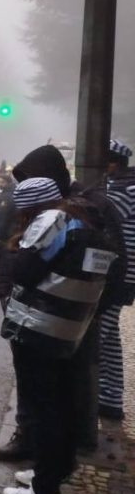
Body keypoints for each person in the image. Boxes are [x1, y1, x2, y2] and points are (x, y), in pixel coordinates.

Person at [0, 177, 115, 494]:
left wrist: (8, 253)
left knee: (44, 410)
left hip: (38, 329)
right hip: (69, 331)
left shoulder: (51, 221)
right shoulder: (87, 224)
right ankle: (53, 473)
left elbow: (24, 272)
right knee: (62, 405)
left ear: (31, 207)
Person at [0, 144, 74, 462]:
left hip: (46, 318)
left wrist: (8, 262)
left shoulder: (56, 217)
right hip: (39, 314)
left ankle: (41, 458)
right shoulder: (61, 213)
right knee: (43, 388)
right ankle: (44, 450)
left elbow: (25, 269)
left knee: (44, 390)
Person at [99, 138, 135, 420]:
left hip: (119, 277)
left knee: (94, 335)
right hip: (123, 276)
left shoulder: (126, 191)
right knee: (109, 339)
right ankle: (110, 399)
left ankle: (85, 396)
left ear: (113, 163)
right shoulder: (122, 187)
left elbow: (99, 219)